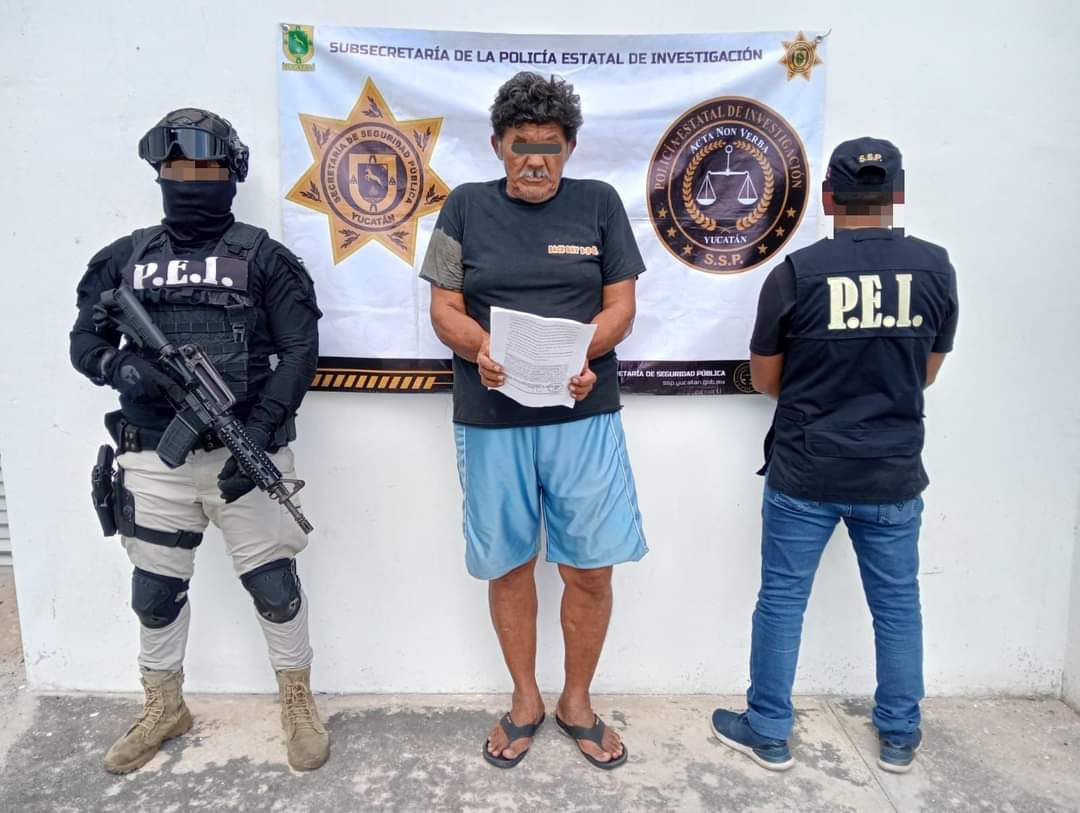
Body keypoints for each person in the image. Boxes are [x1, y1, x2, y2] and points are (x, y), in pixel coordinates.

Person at [69, 109, 329, 774]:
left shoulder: (267, 259)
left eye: (207, 167)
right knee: (155, 591)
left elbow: (301, 352)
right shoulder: (124, 259)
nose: (191, 179)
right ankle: (164, 705)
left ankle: (298, 701)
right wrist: (122, 367)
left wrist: (260, 435)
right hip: (152, 456)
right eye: (177, 168)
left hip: (247, 452)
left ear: (232, 174)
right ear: (158, 174)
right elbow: (85, 342)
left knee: (275, 585)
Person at [420, 72, 647, 770]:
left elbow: (621, 306)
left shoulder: (600, 203)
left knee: (591, 569)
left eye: (550, 147)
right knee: (509, 564)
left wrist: (586, 352)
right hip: (491, 415)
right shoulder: (462, 207)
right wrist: (481, 349)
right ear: (498, 146)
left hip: (583, 409)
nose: (536, 162)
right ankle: (525, 699)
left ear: (570, 147)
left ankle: (576, 701)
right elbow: (444, 309)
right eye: (522, 146)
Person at [710, 138, 959, 774]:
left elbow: (766, 379)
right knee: (898, 606)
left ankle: (768, 729)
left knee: (782, 601)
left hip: (806, 469)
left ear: (827, 198)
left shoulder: (796, 273)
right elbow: (927, 374)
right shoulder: (936, 269)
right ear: (897, 194)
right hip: (892, 470)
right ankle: (899, 734)